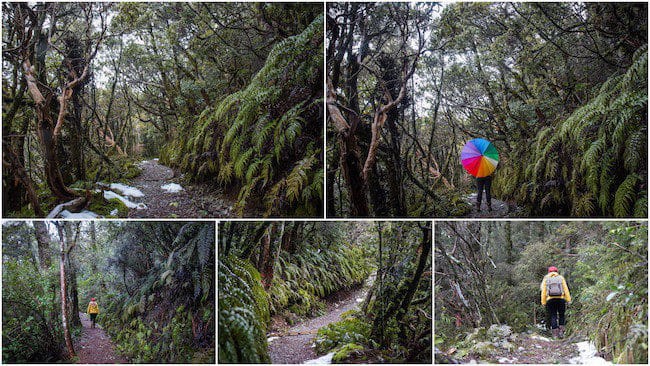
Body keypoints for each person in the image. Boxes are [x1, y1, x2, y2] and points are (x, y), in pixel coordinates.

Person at [540, 266, 571, 338]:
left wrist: (543, 302)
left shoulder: (546, 279)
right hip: (561, 299)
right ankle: (561, 332)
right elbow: (566, 289)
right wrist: (568, 300)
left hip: (550, 299)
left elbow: (543, 291)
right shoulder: (561, 278)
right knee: (561, 315)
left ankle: (555, 334)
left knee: (553, 315)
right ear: (557, 271)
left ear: (549, 272)